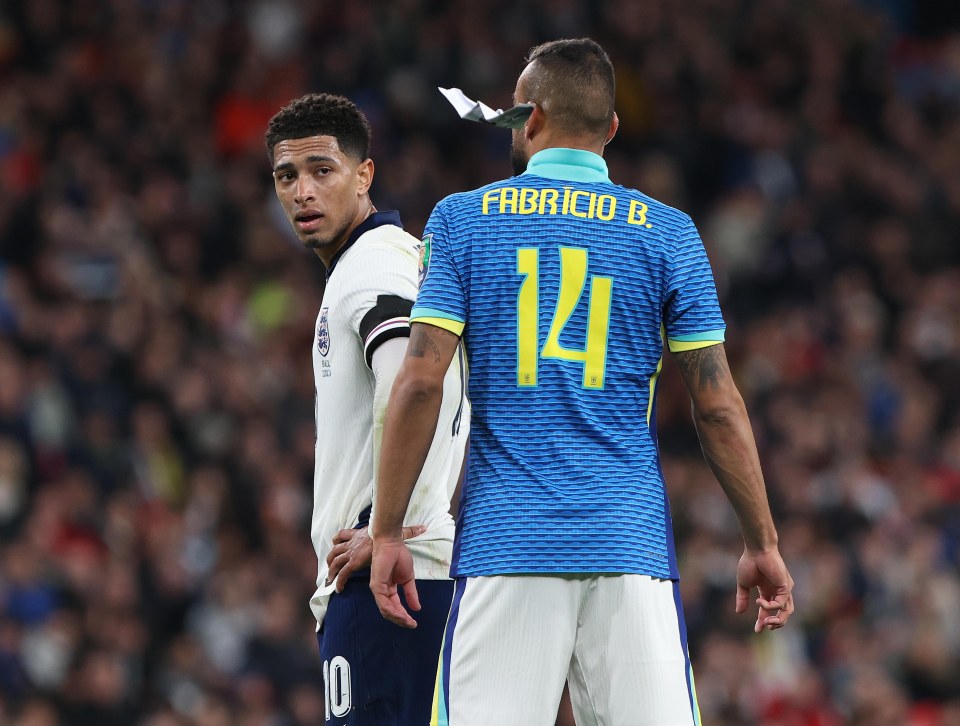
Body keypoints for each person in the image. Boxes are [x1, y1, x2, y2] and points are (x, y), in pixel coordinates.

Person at [369, 39, 794, 726]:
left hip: (507, 549)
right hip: (630, 553)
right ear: (612, 131)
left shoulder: (461, 219)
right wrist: (763, 543)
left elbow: (420, 381)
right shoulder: (669, 233)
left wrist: (387, 532)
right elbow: (716, 403)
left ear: (528, 119)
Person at [265, 93, 469, 724]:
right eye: (286, 176)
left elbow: (412, 382)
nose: (303, 191)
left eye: (322, 170)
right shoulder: (402, 259)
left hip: (385, 582)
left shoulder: (373, 263)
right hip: (413, 571)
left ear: (365, 174)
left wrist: (386, 528)